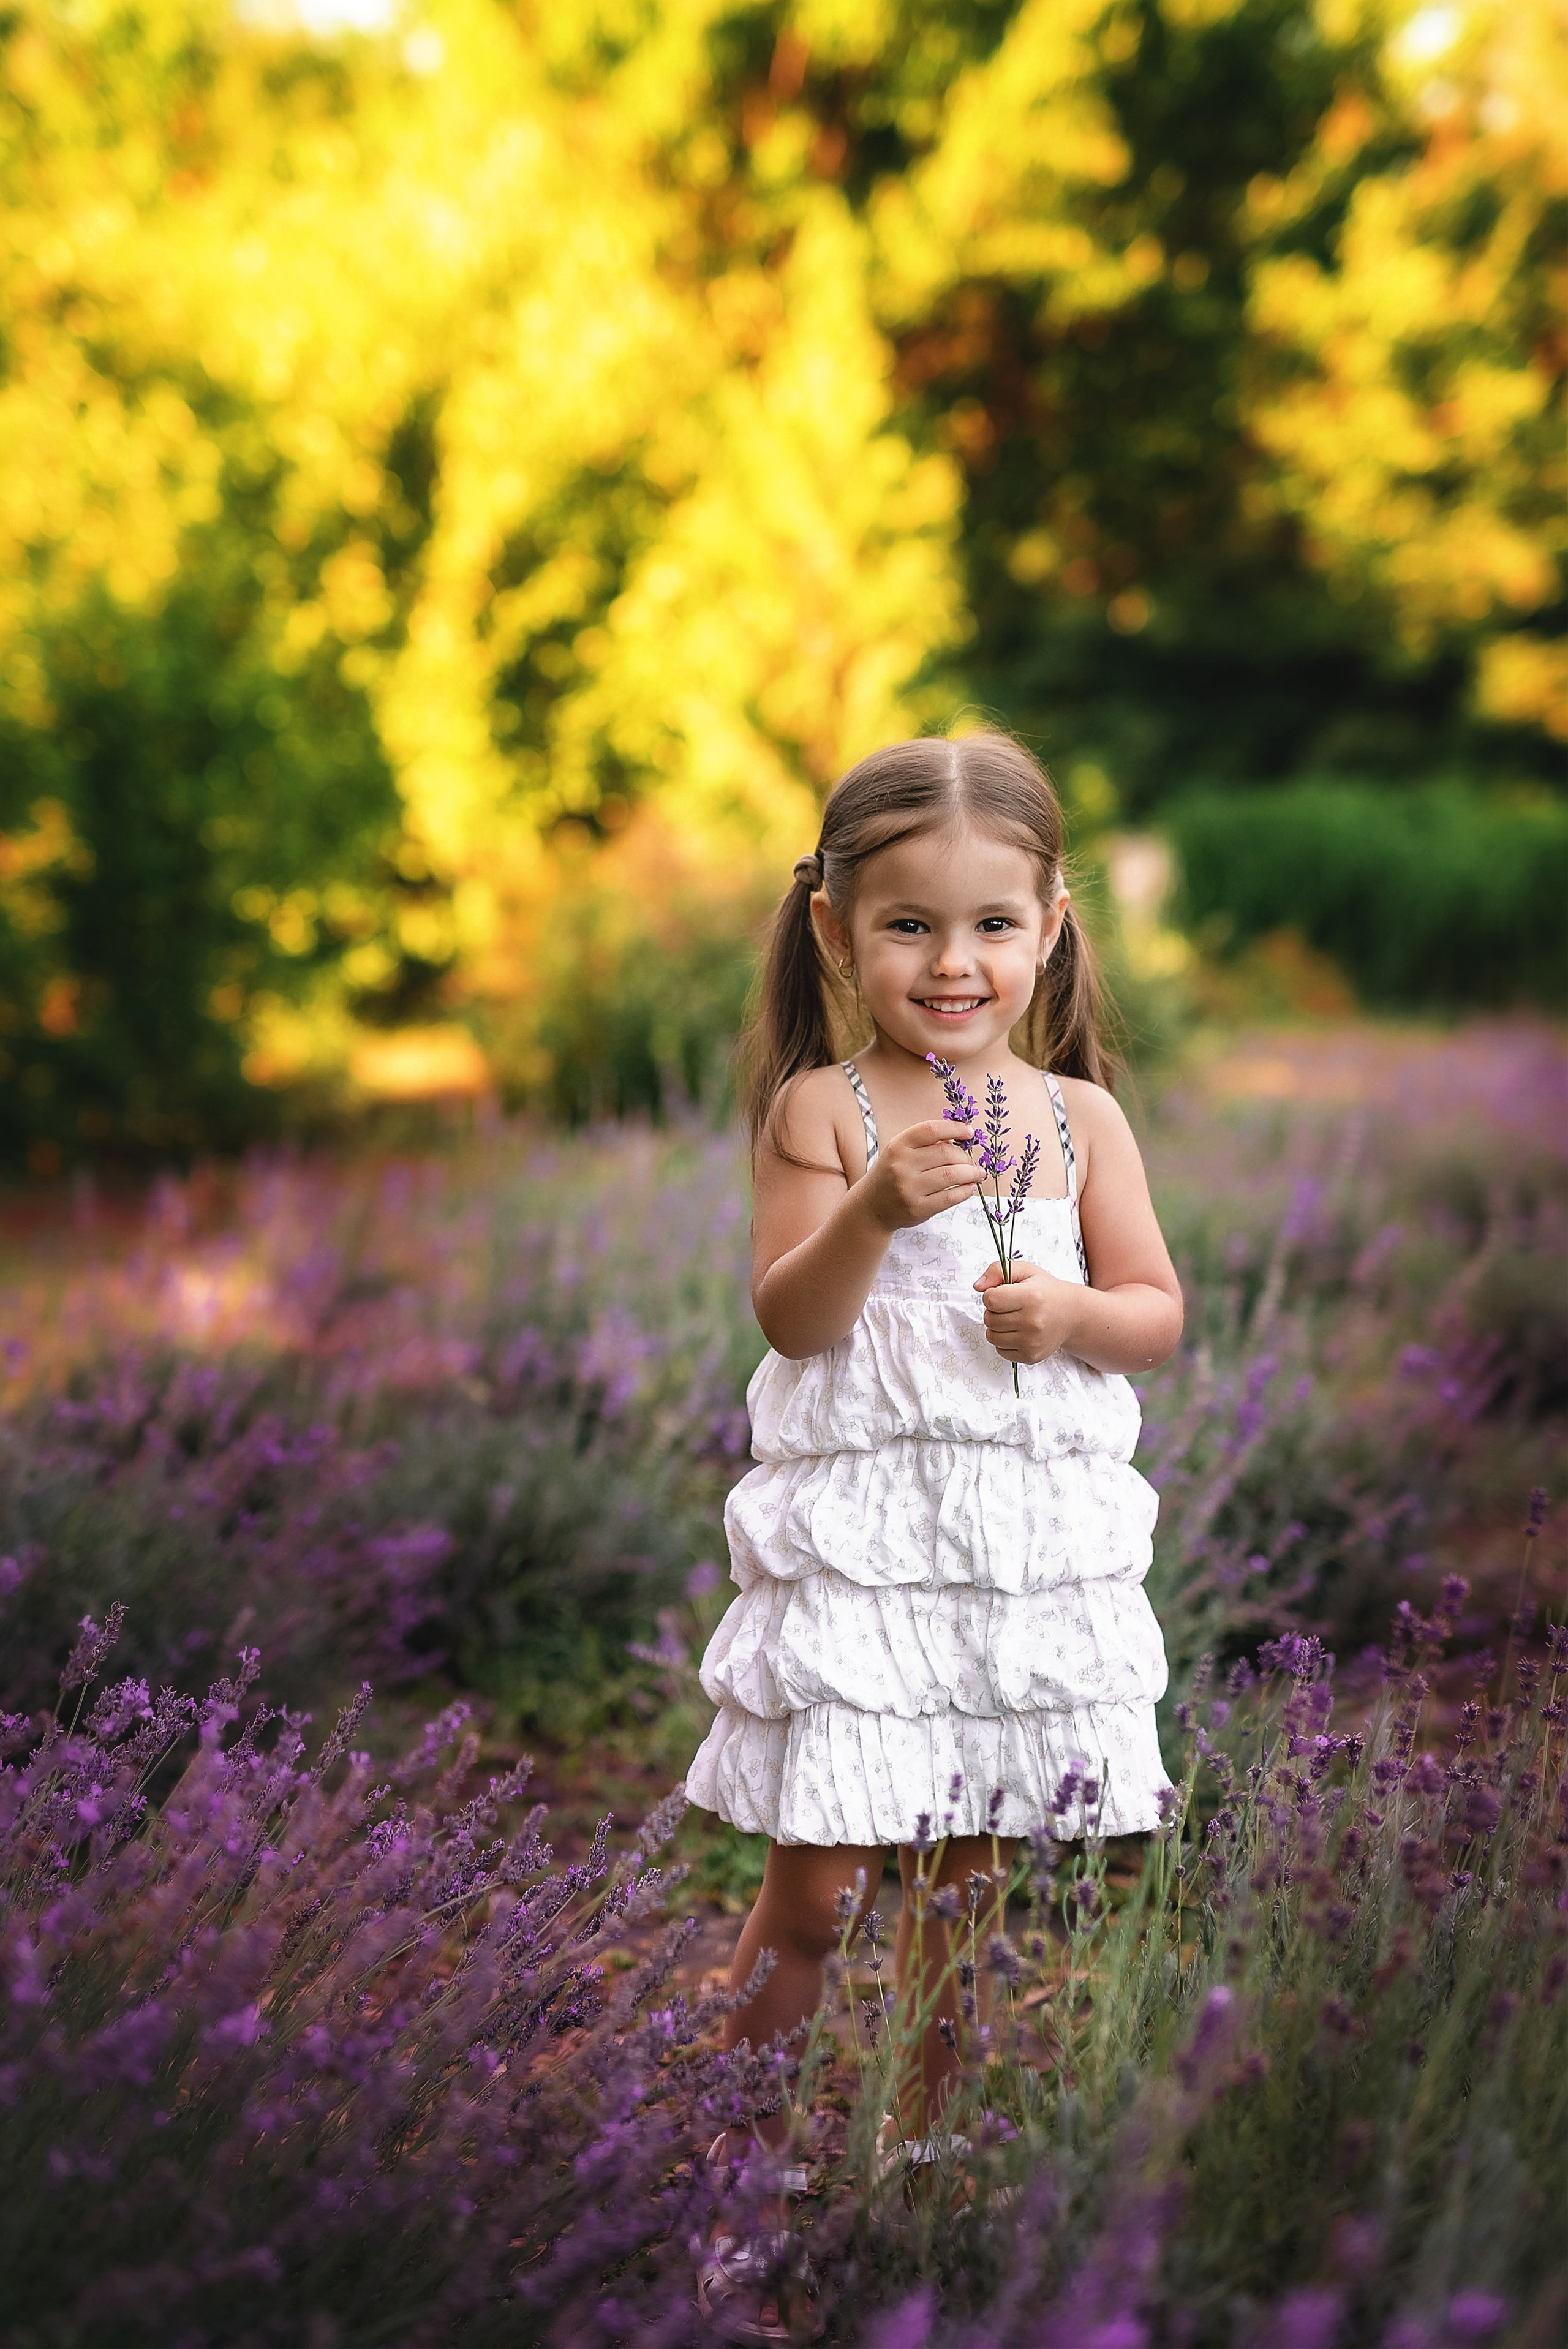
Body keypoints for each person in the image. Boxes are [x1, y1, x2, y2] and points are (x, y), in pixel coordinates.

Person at [688, 731, 1183, 2338]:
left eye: (989, 923)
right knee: (822, 1889)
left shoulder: (1083, 1123)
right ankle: (725, 2173)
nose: (952, 961)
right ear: (834, 928)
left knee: (964, 1898)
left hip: (1008, 1567)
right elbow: (793, 1313)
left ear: (1050, 925)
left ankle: (929, 2164)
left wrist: (1075, 1310)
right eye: (907, 924)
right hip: (869, 1567)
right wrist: (874, 1214)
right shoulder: (824, 1115)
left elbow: (1157, 1314)